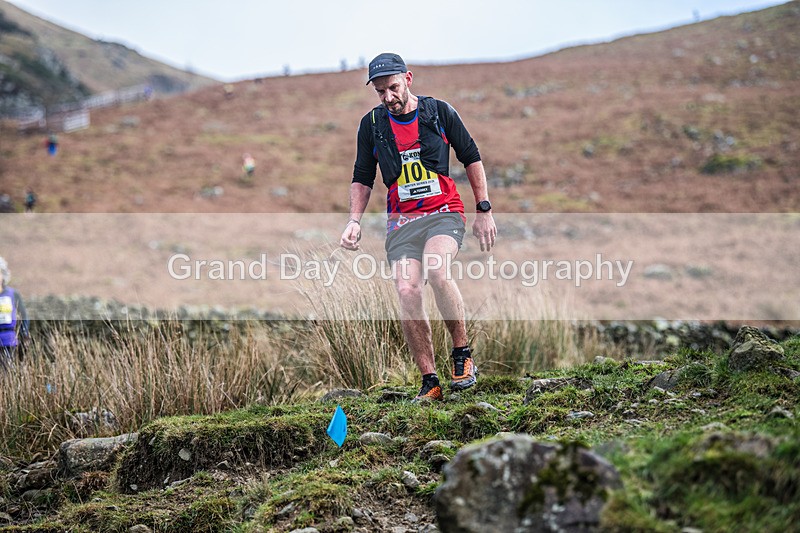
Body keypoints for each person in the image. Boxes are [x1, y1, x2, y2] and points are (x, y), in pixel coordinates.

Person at [340, 53, 497, 402]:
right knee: (408, 291)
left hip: (443, 212)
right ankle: (430, 382)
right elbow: (362, 177)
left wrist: (483, 208)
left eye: (393, 88)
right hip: (401, 223)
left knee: (438, 271)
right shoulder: (372, 125)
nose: (388, 97)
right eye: (380, 92)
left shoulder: (439, 112)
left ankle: (462, 356)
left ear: (408, 79)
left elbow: (471, 156)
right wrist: (354, 221)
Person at [0, 257, 30, 369]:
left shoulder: (12, 294)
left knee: (7, 372)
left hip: (9, 340)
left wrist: (24, 333)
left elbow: (24, 316)